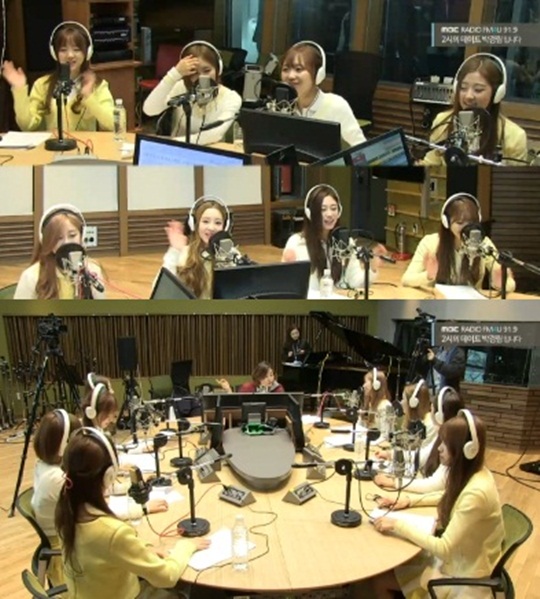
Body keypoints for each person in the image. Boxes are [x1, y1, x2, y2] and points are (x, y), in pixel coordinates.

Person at [55, 427, 210, 599]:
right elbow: (167, 577)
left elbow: (107, 550)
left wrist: (144, 550)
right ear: (109, 476)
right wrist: (186, 546)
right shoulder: (112, 532)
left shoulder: (65, 509)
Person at [368, 411, 504, 599]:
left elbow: (444, 548)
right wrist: (408, 501)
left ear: (468, 450)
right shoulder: (477, 473)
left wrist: (397, 525)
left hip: (462, 577)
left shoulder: (477, 493)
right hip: (460, 562)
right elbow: (449, 496)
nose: (439, 448)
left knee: (379, 581)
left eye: (446, 444)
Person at [2, 21, 114, 132]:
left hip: (85, 143)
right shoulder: (43, 85)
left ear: (87, 52)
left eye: (76, 50)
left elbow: (113, 125)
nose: (70, 55)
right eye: (63, 50)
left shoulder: (98, 85)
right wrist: (19, 89)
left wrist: (89, 97)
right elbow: (26, 126)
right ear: (54, 53)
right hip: (53, 143)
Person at [423, 53, 528, 166]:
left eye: (478, 90)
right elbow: (429, 165)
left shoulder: (515, 137)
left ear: (497, 93)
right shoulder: (442, 122)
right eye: (463, 88)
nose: (468, 96)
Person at [401, 193, 516, 293]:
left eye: (471, 222)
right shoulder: (430, 243)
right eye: (460, 223)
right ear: (446, 222)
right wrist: (429, 275)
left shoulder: (484, 244)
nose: (466, 228)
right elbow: (406, 280)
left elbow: (510, 285)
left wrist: (501, 283)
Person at [282, 184, 381, 294]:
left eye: (333, 208)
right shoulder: (296, 243)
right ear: (310, 213)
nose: (329, 214)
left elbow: (354, 281)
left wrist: (372, 268)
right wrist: (288, 271)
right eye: (323, 209)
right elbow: (289, 286)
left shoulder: (345, 242)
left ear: (339, 211)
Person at [143, 41, 242, 145]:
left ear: (219, 70)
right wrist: (174, 74)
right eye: (194, 72)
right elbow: (150, 110)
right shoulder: (180, 88)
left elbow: (214, 134)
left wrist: (174, 142)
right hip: (177, 150)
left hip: (209, 152)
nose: (202, 77)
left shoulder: (231, 98)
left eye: (207, 70)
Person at [374, 386, 464, 494]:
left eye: (432, 409)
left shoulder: (451, 444)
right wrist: (391, 454)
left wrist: (394, 482)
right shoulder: (445, 437)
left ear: (439, 416)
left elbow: (432, 484)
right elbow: (423, 456)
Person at [280, 41, 366, 147]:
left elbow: (361, 150)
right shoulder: (282, 107)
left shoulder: (336, 105)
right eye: (285, 69)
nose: (290, 76)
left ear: (318, 74)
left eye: (298, 69)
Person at [32, 409, 82, 588]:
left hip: (59, 539)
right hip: (66, 554)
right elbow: (91, 513)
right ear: (64, 445)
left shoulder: (43, 465)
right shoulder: (57, 479)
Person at [14, 204, 106, 300]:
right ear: (48, 243)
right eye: (58, 238)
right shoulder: (31, 277)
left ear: (82, 236)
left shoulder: (93, 271)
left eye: (72, 235)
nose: (66, 242)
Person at [158, 195, 231, 299]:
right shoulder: (184, 253)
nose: (211, 227)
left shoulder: (231, 255)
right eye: (205, 221)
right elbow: (160, 289)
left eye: (218, 223)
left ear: (225, 227)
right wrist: (175, 251)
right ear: (195, 225)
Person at [217, 361, 284, 393]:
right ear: (258, 377)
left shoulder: (278, 389)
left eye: (271, 375)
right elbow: (237, 405)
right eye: (265, 377)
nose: (270, 379)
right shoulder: (247, 388)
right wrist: (228, 390)